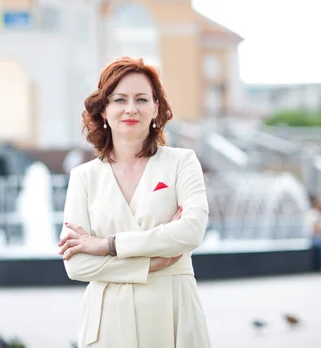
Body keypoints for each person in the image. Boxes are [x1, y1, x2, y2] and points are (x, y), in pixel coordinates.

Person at [58, 57, 210, 347]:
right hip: (108, 324)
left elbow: (191, 231)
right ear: (104, 109)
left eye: (142, 99)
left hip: (173, 316)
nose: (131, 108)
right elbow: (76, 265)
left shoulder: (182, 163)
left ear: (155, 108)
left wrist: (109, 246)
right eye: (119, 99)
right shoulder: (83, 177)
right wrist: (149, 264)